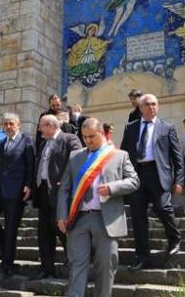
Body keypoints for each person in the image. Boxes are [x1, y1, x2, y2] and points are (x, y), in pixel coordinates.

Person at [57, 118, 140, 297]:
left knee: (105, 265)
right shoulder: (75, 156)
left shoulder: (119, 155)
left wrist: (112, 188)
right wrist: (61, 214)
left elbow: (134, 181)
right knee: (77, 264)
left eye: (92, 137)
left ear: (102, 133)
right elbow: (64, 188)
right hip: (78, 219)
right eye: (84, 137)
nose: (87, 141)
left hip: (106, 219)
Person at [120, 94, 183, 270]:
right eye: (147, 104)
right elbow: (124, 154)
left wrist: (179, 179)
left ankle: (174, 239)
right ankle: (142, 257)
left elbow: (176, 157)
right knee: (138, 217)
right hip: (137, 175)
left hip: (158, 174)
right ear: (140, 108)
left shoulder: (167, 128)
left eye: (154, 104)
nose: (151, 107)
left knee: (163, 207)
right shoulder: (130, 128)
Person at [0, 112, 35, 278]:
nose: (8, 127)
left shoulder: (27, 141)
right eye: (6, 124)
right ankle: (6, 248)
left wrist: (29, 185)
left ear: (18, 124)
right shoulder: (2, 142)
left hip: (16, 191)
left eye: (11, 123)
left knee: (11, 228)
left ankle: (8, 265)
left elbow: (31, 165)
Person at [30, 114, 82, 281]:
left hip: (61, 192)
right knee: (44, 232)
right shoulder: (44, 144)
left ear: (51, 125)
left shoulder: (70, 139)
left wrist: (66, 182)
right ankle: (47, 268)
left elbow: (78, 162)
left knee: (61, 228)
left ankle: (77, 262)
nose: (39, 129)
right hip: (43, 192)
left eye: (42, 126)